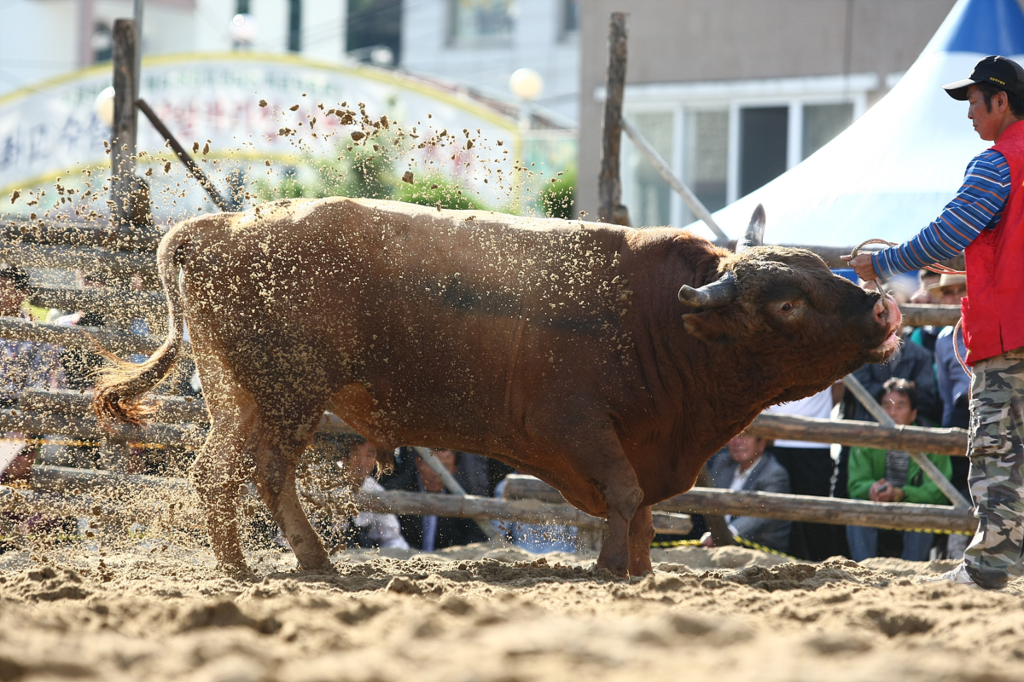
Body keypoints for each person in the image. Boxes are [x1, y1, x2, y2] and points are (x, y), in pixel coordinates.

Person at [844, 55, 1024, 589]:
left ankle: (990, 571)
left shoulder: (997, 162)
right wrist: (975, 260)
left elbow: (949, 230)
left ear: (999, 100)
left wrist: (882, 262)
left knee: (996, 450)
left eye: (973, 103)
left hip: (1008, 339)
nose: (969, 115)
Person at [846, 379, 953, 562]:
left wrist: (900, 493)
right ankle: (863, 569)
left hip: (912, 510)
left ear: (913, 414)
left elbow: (938, 493)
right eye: (886, 406)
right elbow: (856, 484)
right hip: (877, 506)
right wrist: (871, 489)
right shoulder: (866, 439)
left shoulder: (933, 439)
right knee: (856, 508)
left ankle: (911, 574)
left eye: (900, 406)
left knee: (925, 514)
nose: (892, 412)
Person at [762, 386, 845, 559]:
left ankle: (822, 561)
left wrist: (814, 417)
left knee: (815, 510)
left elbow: (838, 388)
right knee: (778, 510)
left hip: (814, 443)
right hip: (776, 440)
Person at [702, 432, 791, 553]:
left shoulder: (774, 473)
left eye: (745, 435)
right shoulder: (722, 462)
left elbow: (761, 513)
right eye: (734, 435)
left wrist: (726, 533)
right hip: (716, 542)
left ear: (762, 443)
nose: (738, 441)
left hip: (759, 549)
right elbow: (708, 501)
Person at [395, 448, 489, 551]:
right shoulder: (396, 491)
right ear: (418, 462)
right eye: (431, 465)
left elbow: (477, 536)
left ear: (454, 470)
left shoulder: (465, 496)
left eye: (445, 467)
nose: (436, 474)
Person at [331, 436, 409, 550]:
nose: (362, 462)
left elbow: (392, 538)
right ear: (344, 457)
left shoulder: (376, 491)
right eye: (356, 455)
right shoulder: (325, 484)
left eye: (368, 456)